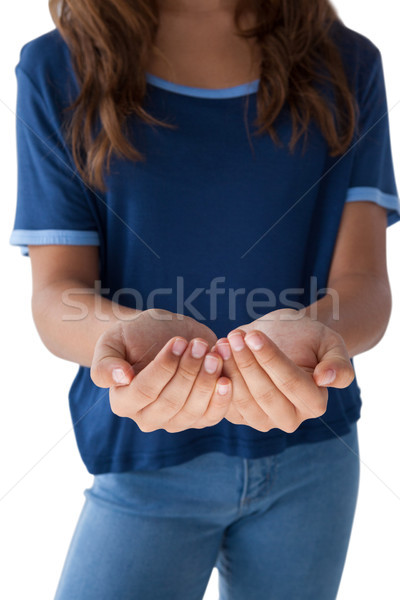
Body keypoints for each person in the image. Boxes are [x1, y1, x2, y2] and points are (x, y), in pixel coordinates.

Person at [9, 0, 400, 598]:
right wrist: (119, 338)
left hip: (314, 459)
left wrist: (320, 332)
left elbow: (366, 284)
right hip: (142, 461)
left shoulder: (347, 63)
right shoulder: (58, 67)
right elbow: (57, 293)